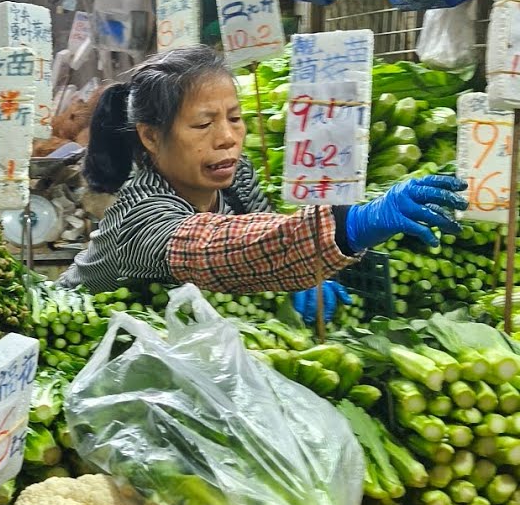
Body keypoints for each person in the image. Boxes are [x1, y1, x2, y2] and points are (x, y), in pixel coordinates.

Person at [58, 45, 467, 325]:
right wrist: (351, 224)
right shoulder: (141, 211)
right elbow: (211, 248)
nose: (227, 137)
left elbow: (261, 230)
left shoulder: (237, 180)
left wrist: (304, 275)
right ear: (150, 137)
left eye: (234, 118)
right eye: (203, 123)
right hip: (92, 345)